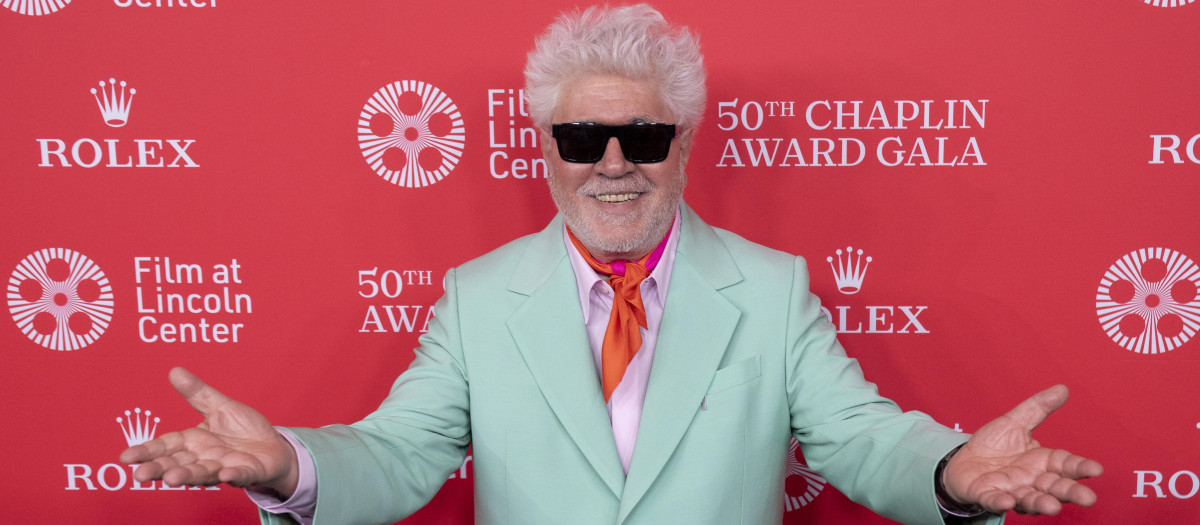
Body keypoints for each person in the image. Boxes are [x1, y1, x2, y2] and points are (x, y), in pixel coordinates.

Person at [120, 5, 1102, 525]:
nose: (614, 162)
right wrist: (291, 465)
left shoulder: (770, 289)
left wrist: (949, 474)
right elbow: (400, 453)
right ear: (546, 148)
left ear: (685, 141)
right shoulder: (475, 299)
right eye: (584, 135)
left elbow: (857, 438)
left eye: (644, 134)